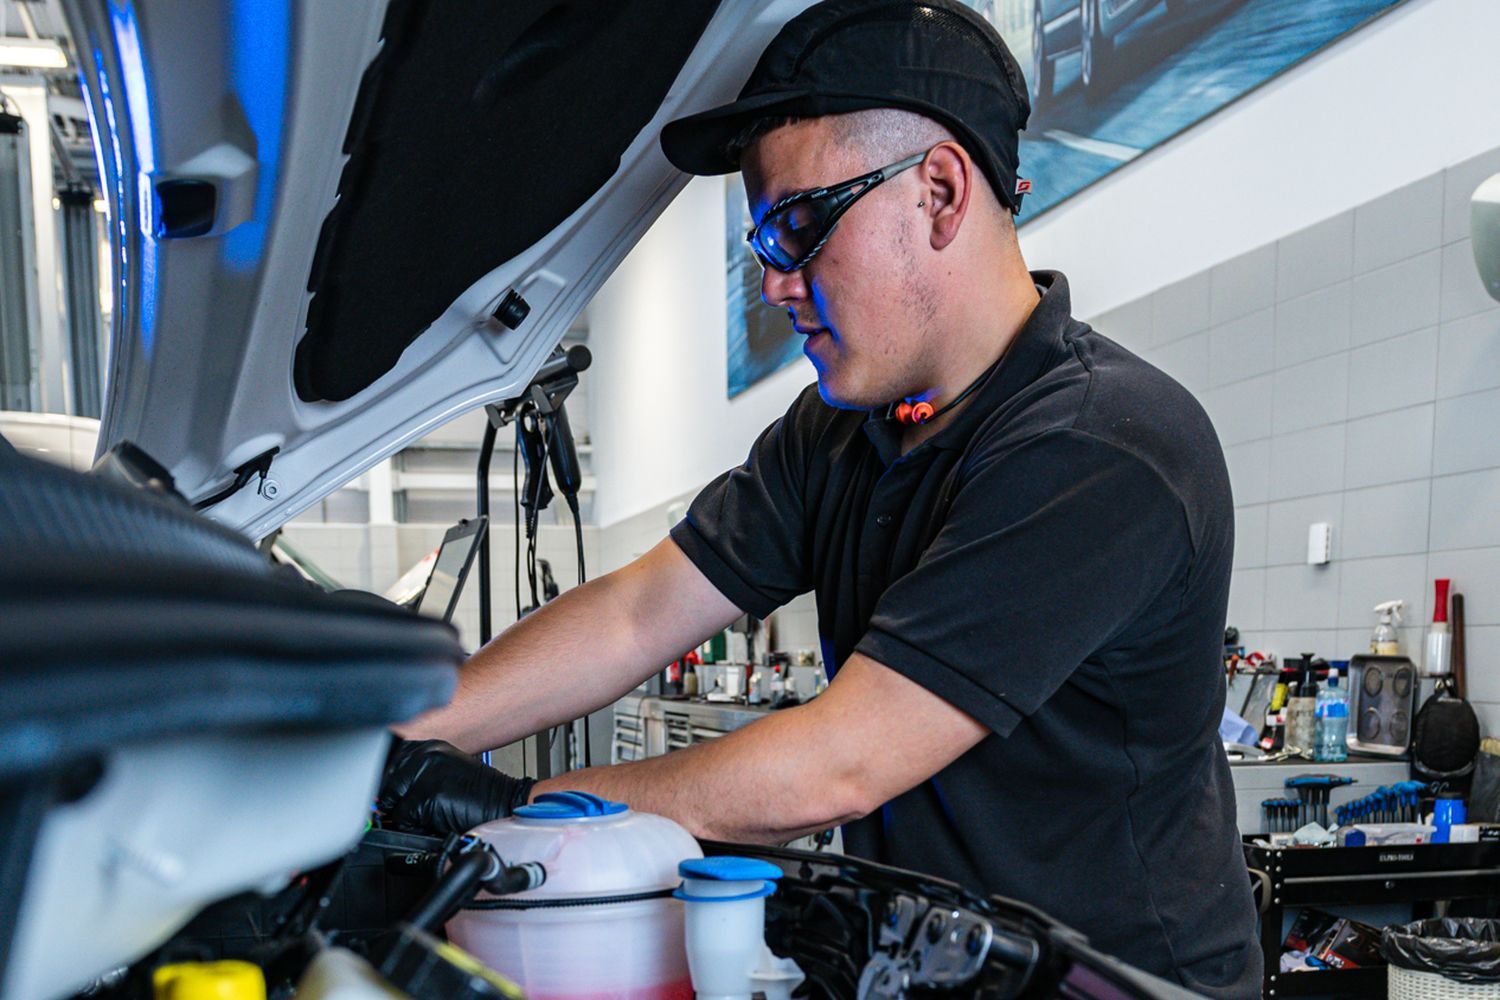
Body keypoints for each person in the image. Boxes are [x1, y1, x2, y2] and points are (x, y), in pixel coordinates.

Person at [384, 0, 1259, 994]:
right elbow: (638, 612)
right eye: (763, 244)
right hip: (931, 970)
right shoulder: (837, 433)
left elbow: (834, 766)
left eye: (797, 226)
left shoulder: (1100, 443)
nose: (774, 284)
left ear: (939, 193)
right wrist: (400, 739)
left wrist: (509, 810)